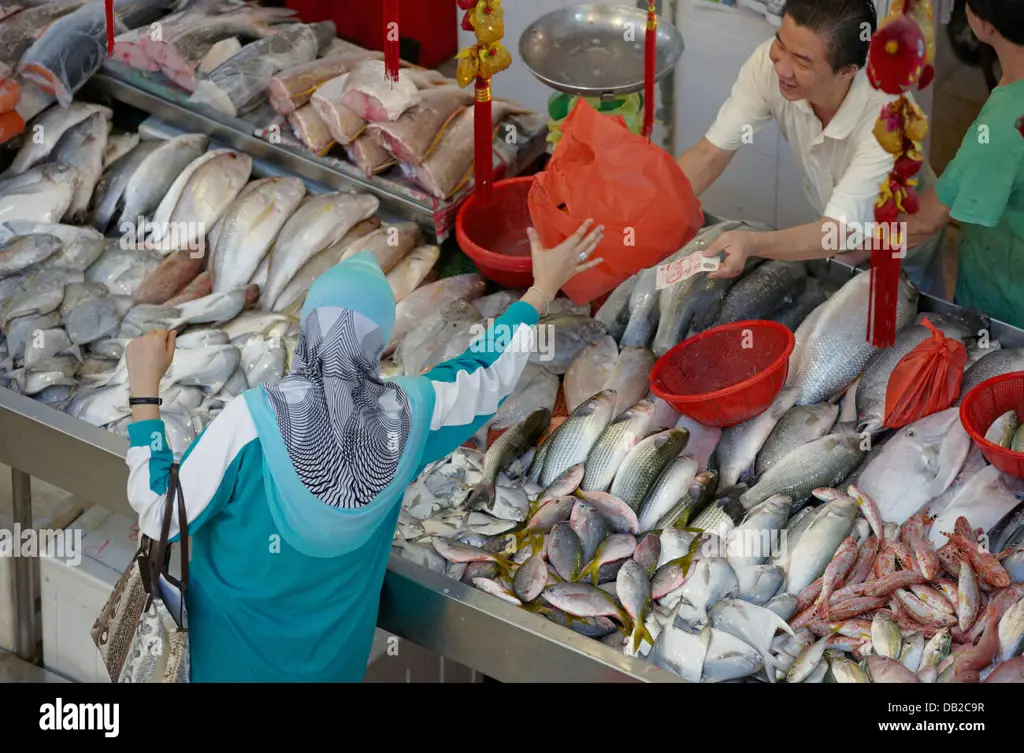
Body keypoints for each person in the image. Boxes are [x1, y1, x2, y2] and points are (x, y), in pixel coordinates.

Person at [121, 220, 604, 682]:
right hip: (333, 671)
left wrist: (145, 390)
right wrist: (541, 289)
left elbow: (159, 509)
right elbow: (486, 370)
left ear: (308, 328)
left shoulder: (250, 422)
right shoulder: (410, 414)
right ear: (378, 341)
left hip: (226, 668)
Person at [678, 0, 944, 292]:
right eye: (780, 44)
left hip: (901, 239)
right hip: (836, 230)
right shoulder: (769, 66)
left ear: (847, 71)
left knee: (908, 321)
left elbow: (836, 232)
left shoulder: (890, 117)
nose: (782, 68)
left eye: (802, 62)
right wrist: (654, 210)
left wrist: (753, 242)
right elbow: (710, 154)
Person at [902, 0, 1024, 327]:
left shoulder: (1000, 131)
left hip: (1006, 307)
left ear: (985, 26)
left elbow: (926, 221)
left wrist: (850, 243)